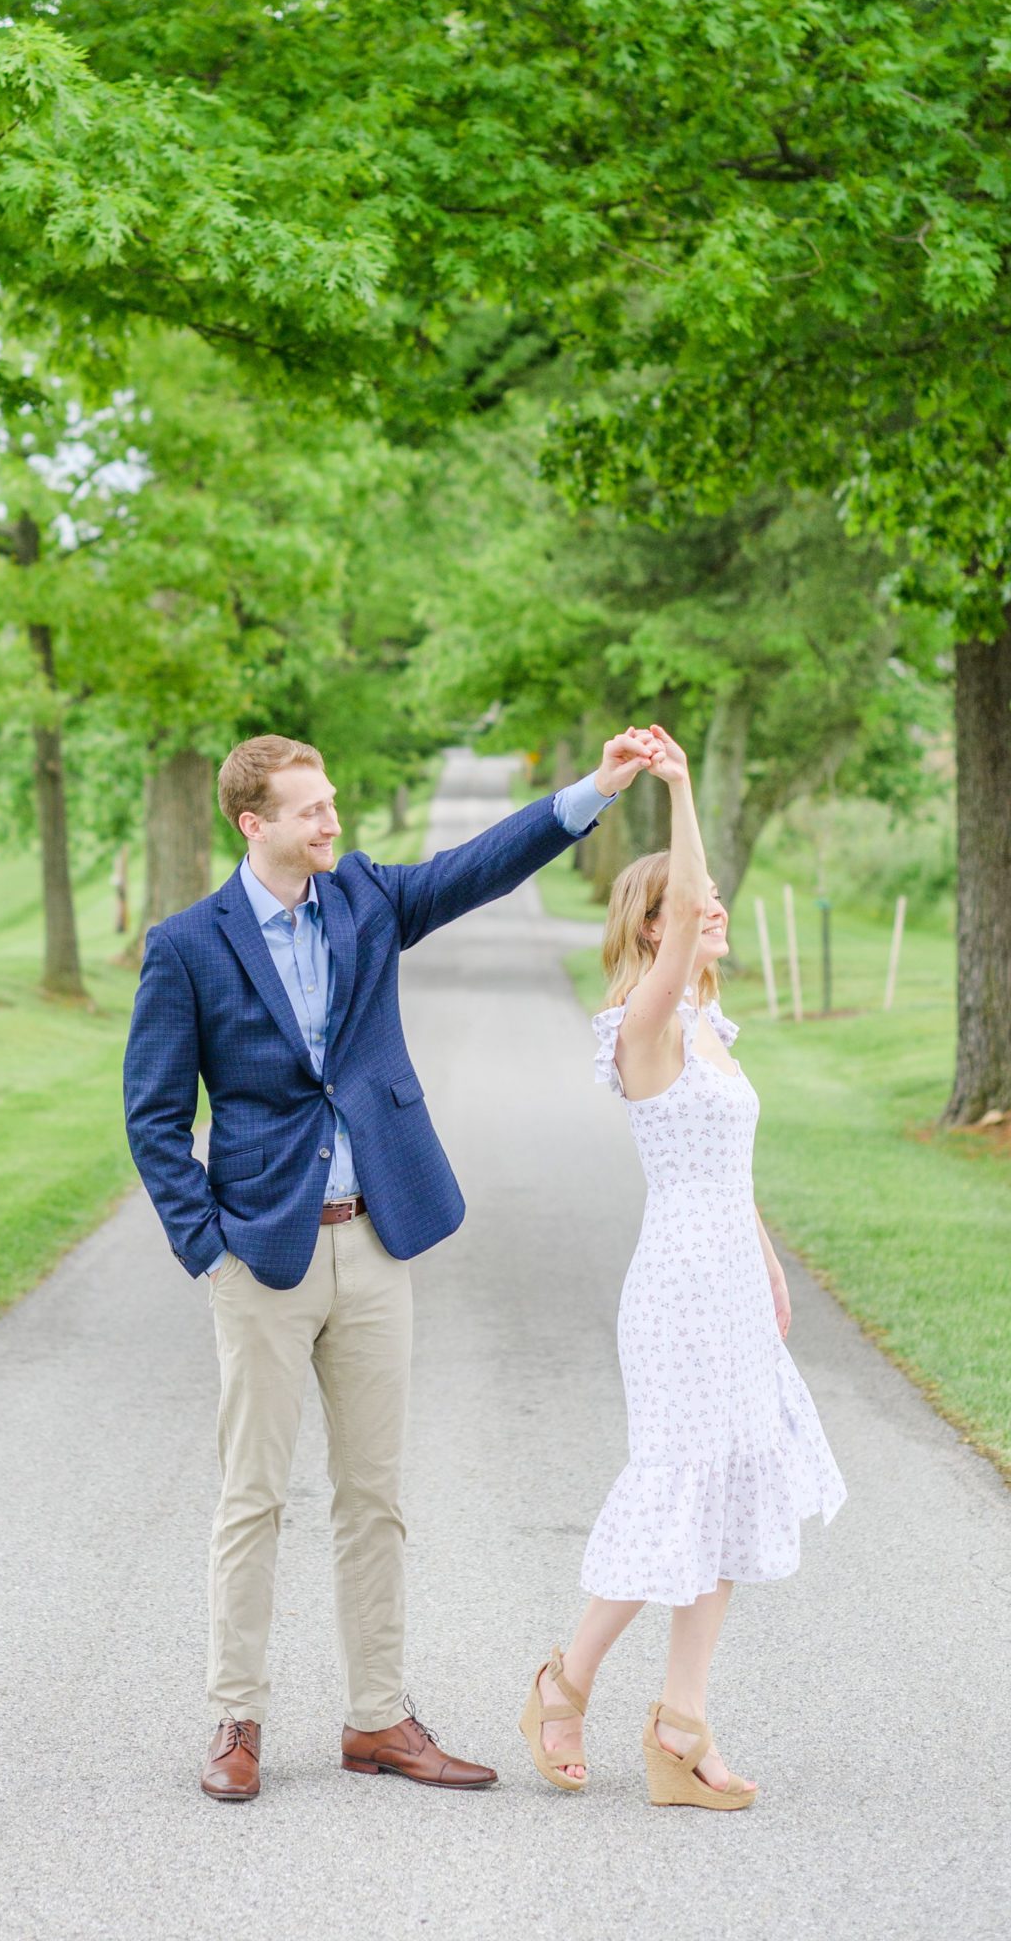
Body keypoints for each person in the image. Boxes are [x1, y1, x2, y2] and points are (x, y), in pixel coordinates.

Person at [124, 728, 660, 1802]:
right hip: (262, 1258)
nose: (332, 820)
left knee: (373, 1495)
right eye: (309, 808)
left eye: (331, 801)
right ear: (252, 822)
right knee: (253, 1496)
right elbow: (151, 1117)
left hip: (374, 1238)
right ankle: (237, 1719)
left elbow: (477, 867)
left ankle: (377, 1719)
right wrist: (210, 1253)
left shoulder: (365, 897)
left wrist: (592, 792)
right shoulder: (187, 945)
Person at [519, 724, 844, 1809]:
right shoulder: (642, 1025)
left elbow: (726, 1165)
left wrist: (766, 1261)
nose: (712, 909)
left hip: (728, 1281)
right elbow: (689, 892)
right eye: (689, 902)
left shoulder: (711, 1029)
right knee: (672, 1491)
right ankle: (561, 1686)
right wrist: (680, 788)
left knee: (720, 1497)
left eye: (710, 901)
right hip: (670, 1293)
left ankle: (679, 1731)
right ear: (649, 928)